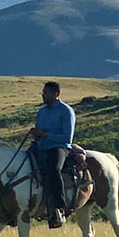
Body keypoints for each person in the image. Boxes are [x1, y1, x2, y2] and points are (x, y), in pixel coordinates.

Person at [27, 80, 76, 229]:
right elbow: (40, 130)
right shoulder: (41, 111)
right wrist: (36, 134)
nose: (43, 95)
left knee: (54, 169)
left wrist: (45, 134)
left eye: (46, 92)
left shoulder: (66, 111)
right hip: (41, 146)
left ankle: (58, 206)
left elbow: (67, 138)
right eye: (43, 92)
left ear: (56, 94)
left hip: (59, 147)